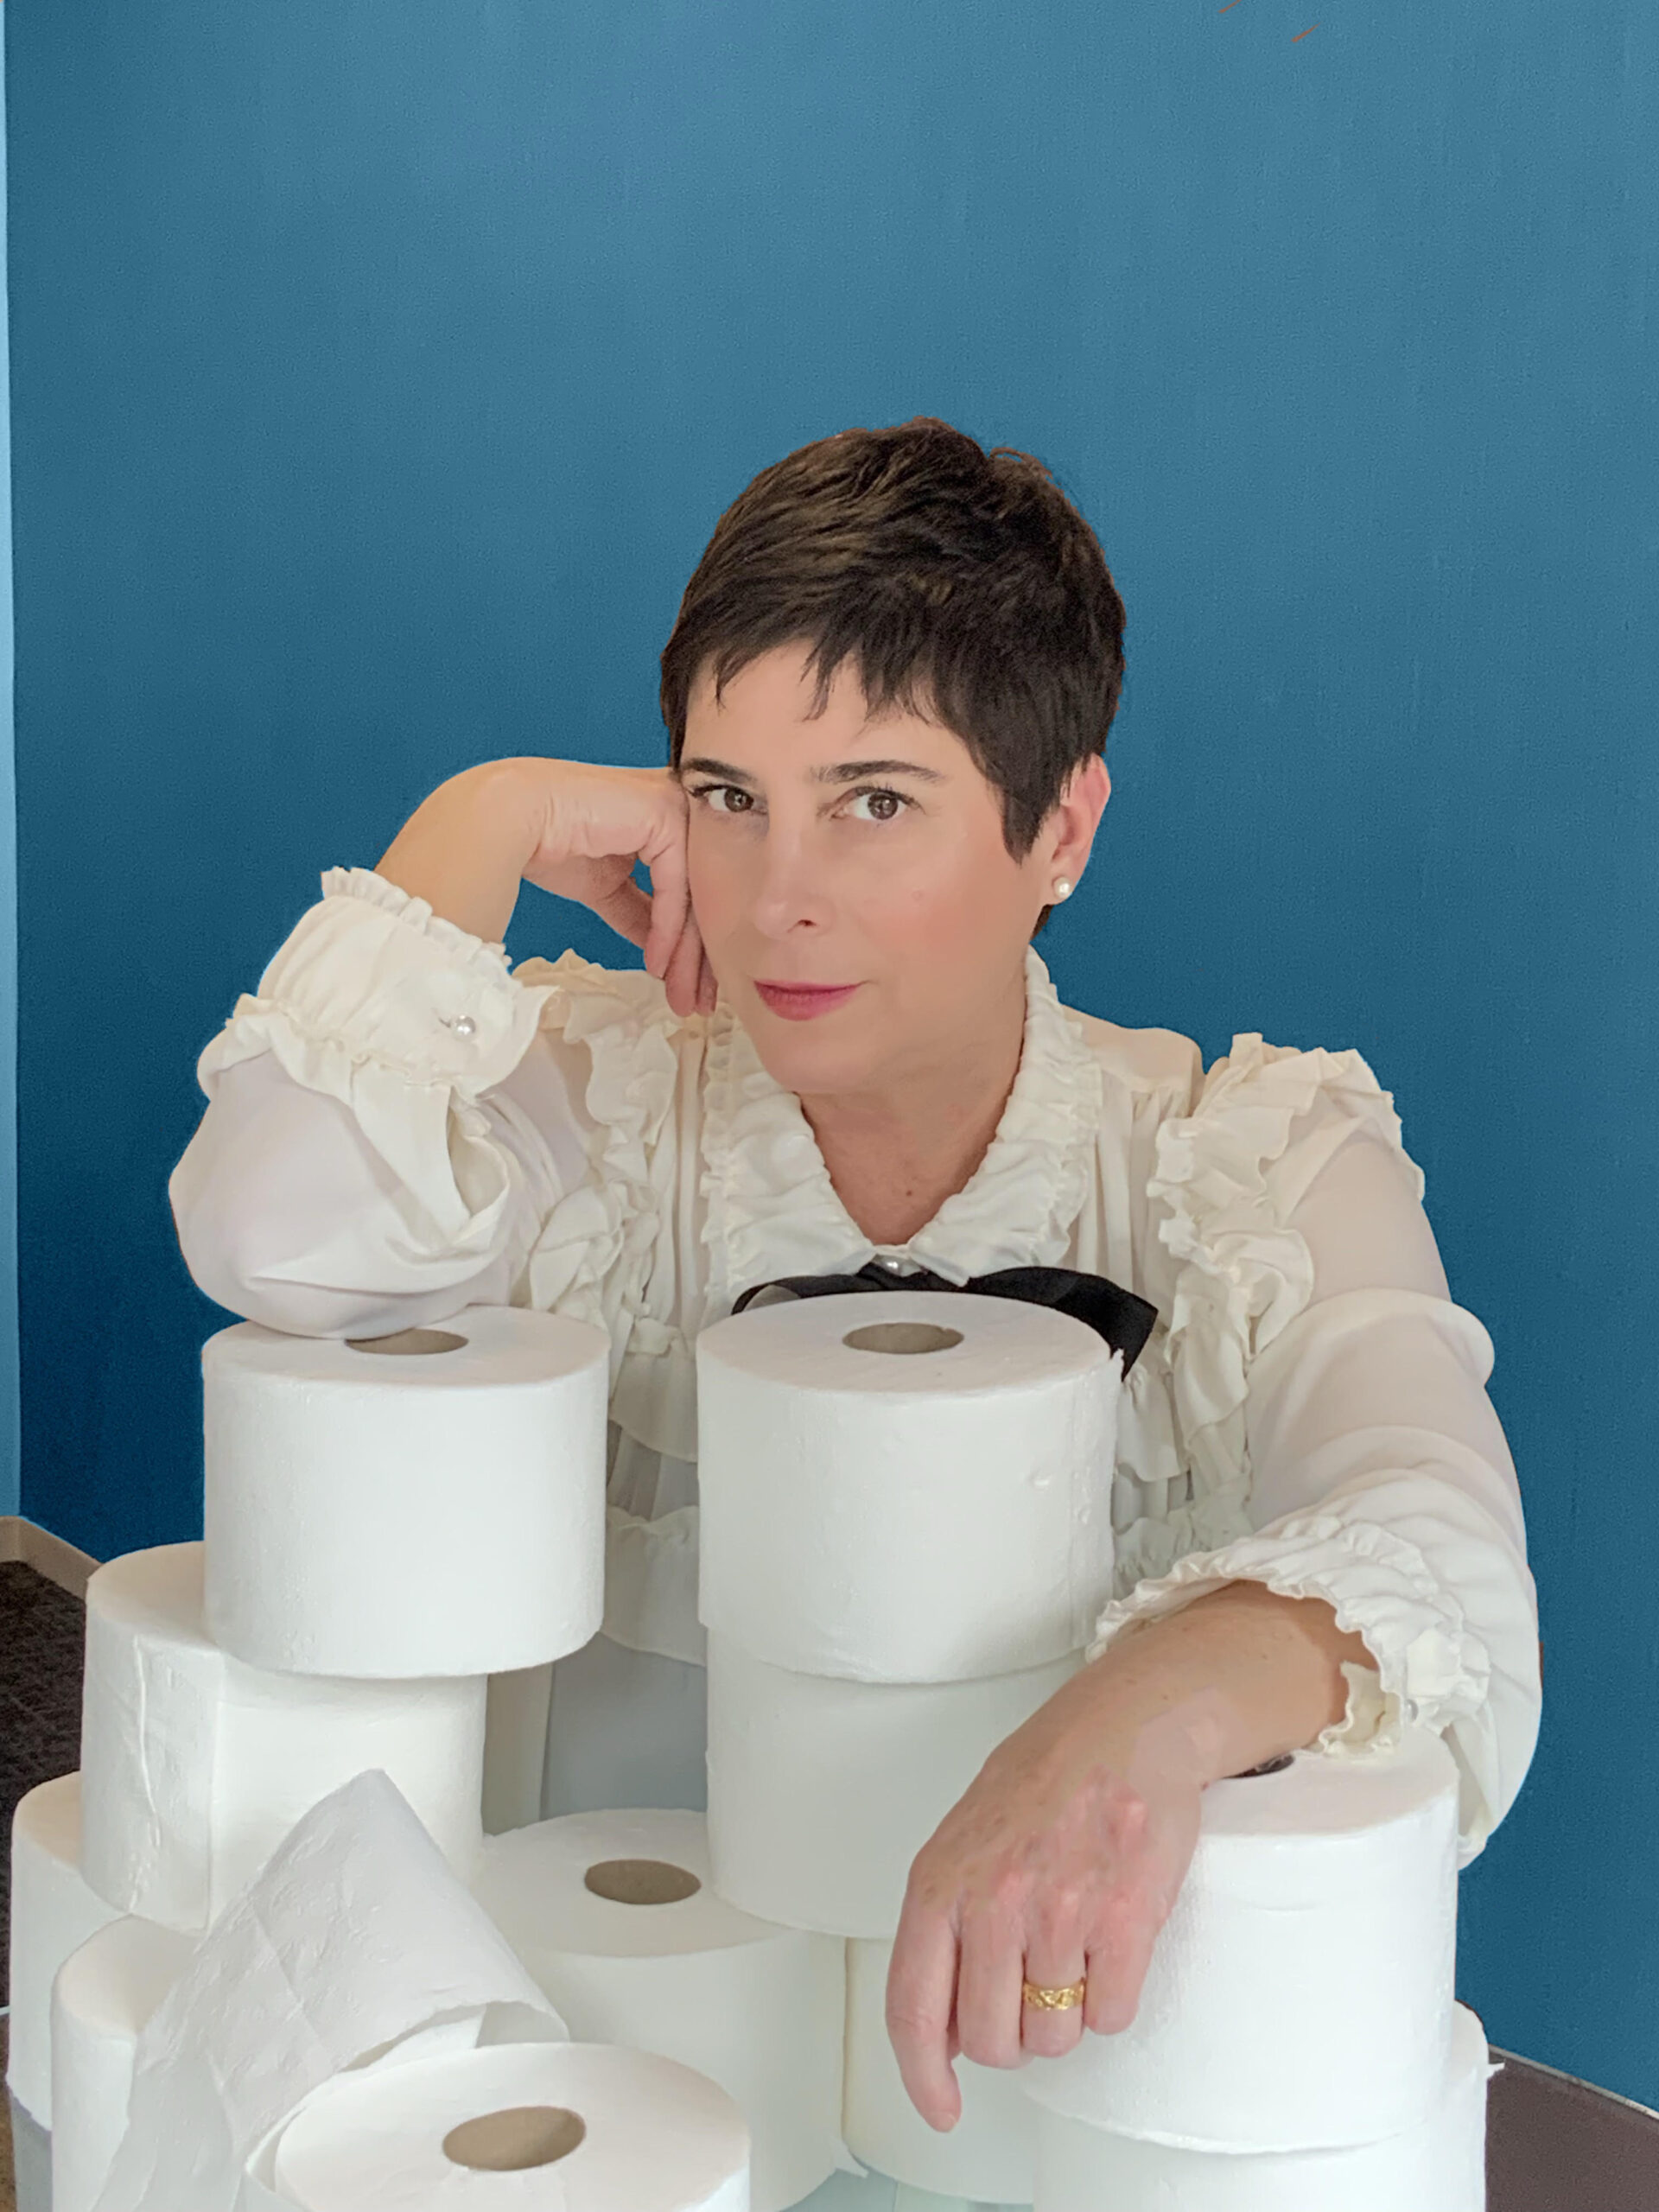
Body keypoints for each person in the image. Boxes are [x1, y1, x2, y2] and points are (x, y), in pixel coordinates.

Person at [169, 417, 1540, 2212]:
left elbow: (1438, 1526)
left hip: (1043, 2117)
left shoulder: (1245, 1161)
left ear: (1061, 825)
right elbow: (268, 1222)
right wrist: (483, 812)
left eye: (874, 801)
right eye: (726, 796)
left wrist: (1137, 1699)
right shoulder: (586, 1087)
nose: (776, 896)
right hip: (601, 2092)